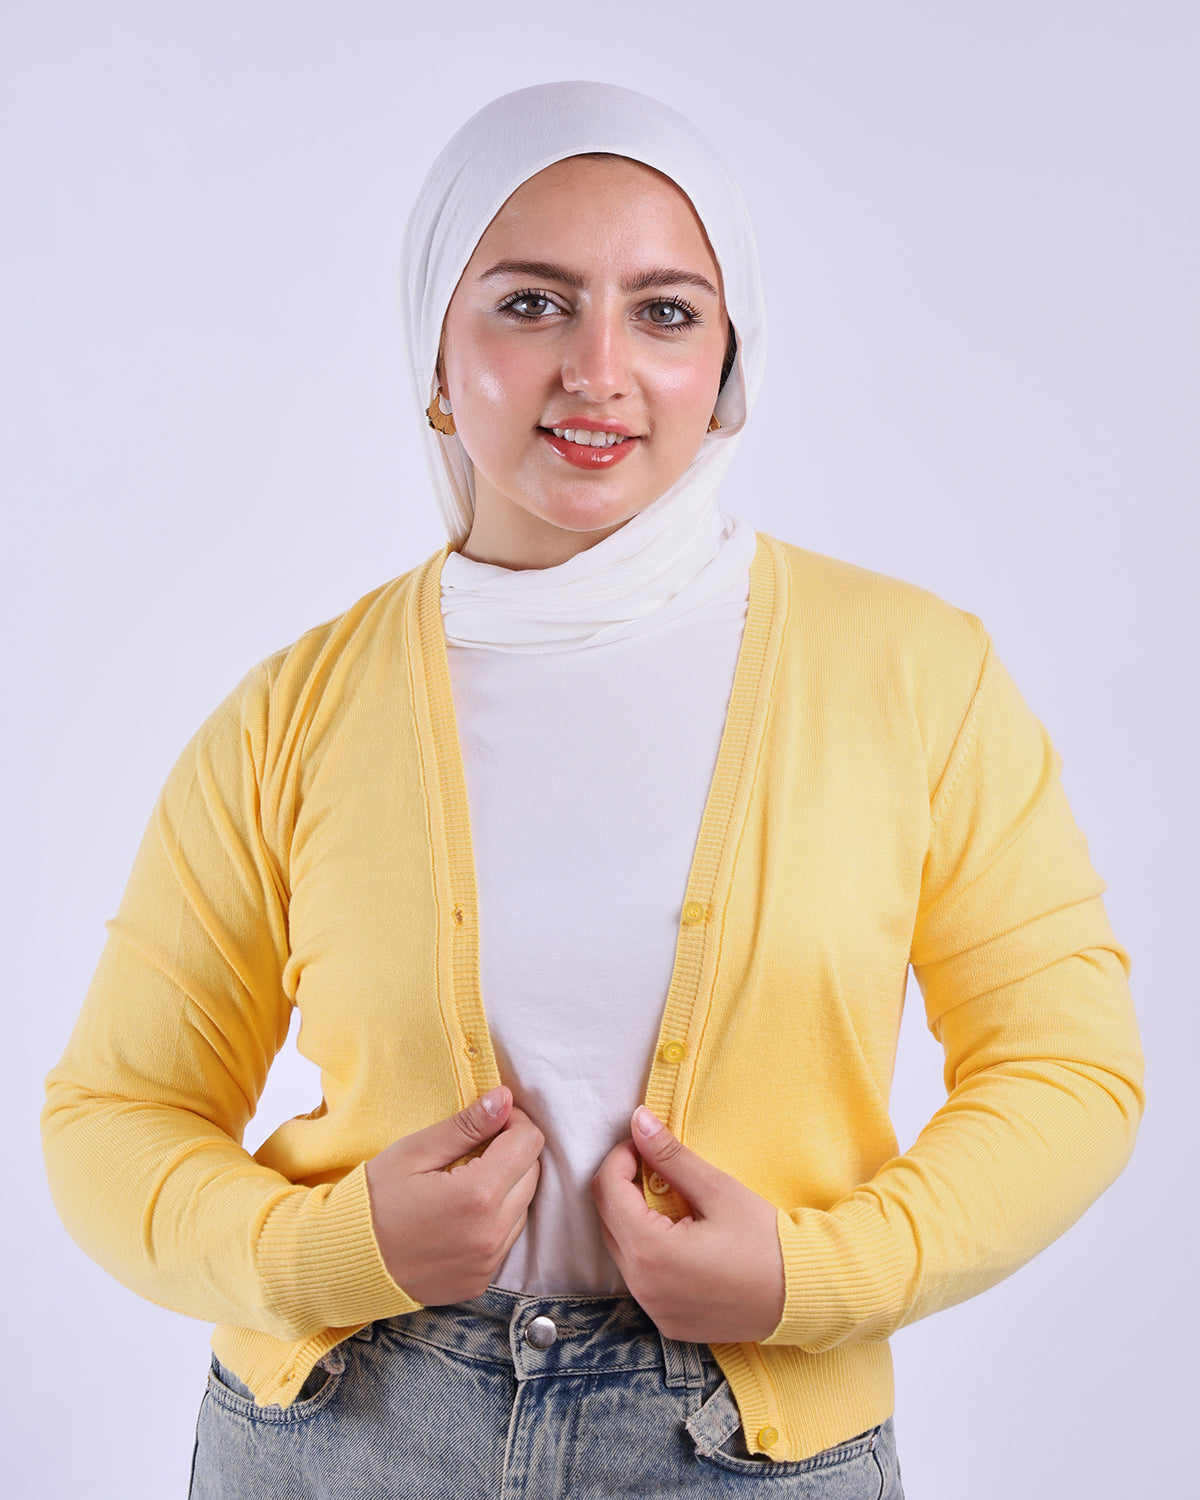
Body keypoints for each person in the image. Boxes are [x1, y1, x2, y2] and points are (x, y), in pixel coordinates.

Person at [42, 81, 1144, 1498]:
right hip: (340, 1434)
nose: (599, 369)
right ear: (435, 347)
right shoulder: (288, 717)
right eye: (532, 303)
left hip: (745, 1447)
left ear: (727, 363)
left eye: (666, 312)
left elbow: (1071, 1067)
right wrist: (329, 1252)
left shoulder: (916, 676)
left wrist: (818, 1276)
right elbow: (113, 1116)